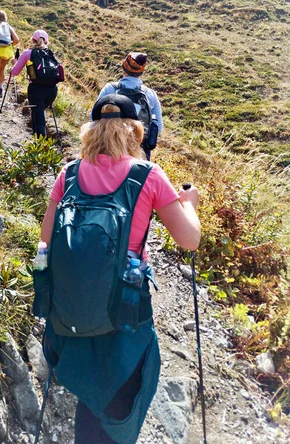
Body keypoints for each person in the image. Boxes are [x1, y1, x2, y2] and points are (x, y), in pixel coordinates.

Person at [39, 94, 200, 444]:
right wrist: (190, 205)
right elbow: (189, 239)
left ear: (91, 131)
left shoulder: (68, 174)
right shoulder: (149, 176)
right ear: (136, 133)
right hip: (125, 312)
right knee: (123, 396)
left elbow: (46, 240)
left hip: (73, 314)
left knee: (89, 393)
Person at [97, 52, 163, 160]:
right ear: (141, 72)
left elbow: (93, 118)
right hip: (139, 153)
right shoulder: (150, 94)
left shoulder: (110, 89)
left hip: (109, 149)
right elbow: (158, 128)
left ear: (123, 69)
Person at [10, 29, 61, 137]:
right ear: (46, 41)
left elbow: (15, 72)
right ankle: (35, 136)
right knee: (38, 111)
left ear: (33, 40)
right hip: (52, 90)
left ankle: (40, 145)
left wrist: (13, 63)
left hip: (36, 89)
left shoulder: (27, 53)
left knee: (39, 118)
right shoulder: (51, 54)